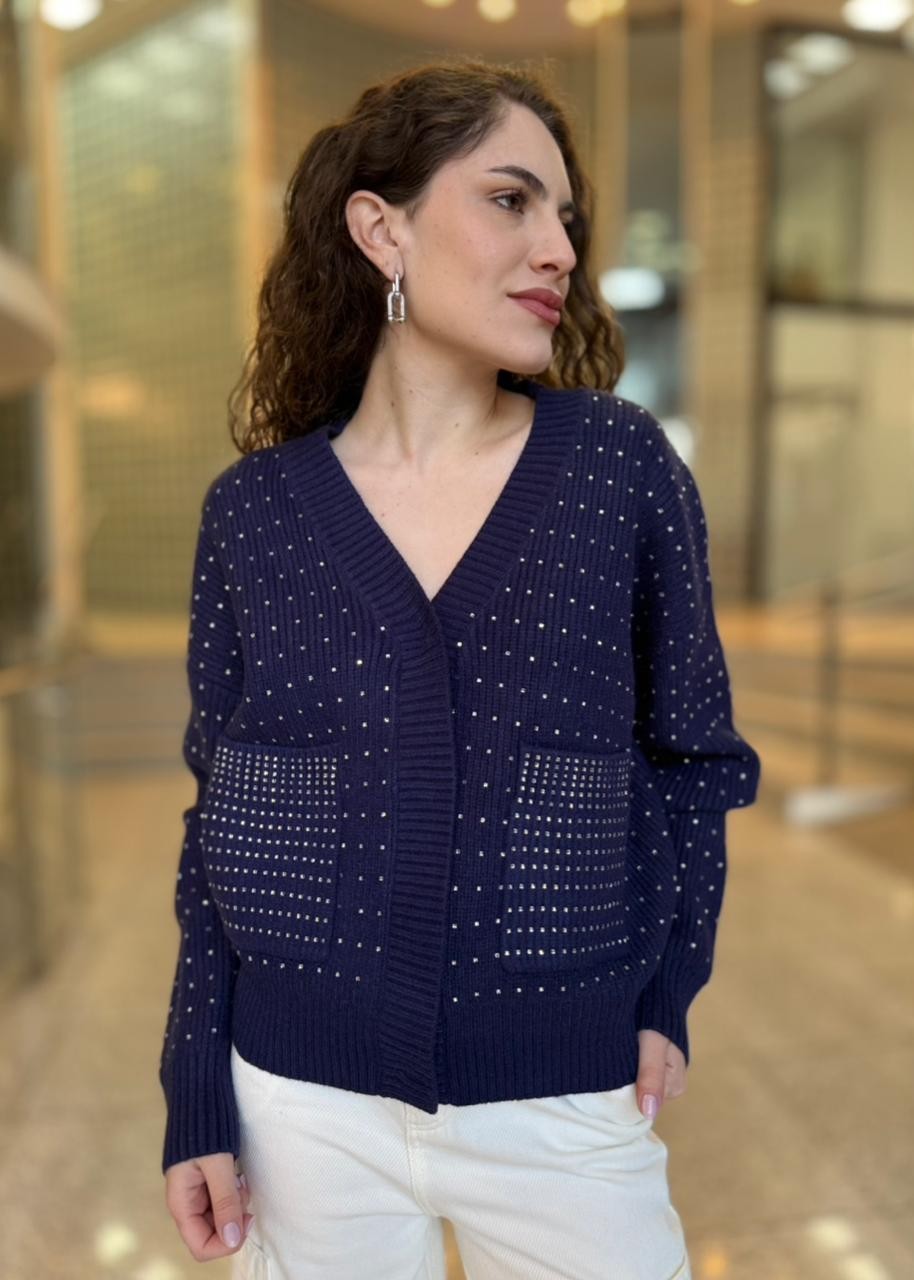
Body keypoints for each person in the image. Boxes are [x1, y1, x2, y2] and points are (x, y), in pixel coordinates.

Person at [159, 55, 761, 1280]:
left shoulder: (614, 469)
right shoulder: (254, 514)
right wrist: (196, 1090)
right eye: (507, 199)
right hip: (297, 1106)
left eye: (564, 217)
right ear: (380, 229)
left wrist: (666, 991)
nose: (557, 249)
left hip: (561, 1093)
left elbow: (694, 759)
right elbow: (218, 814)